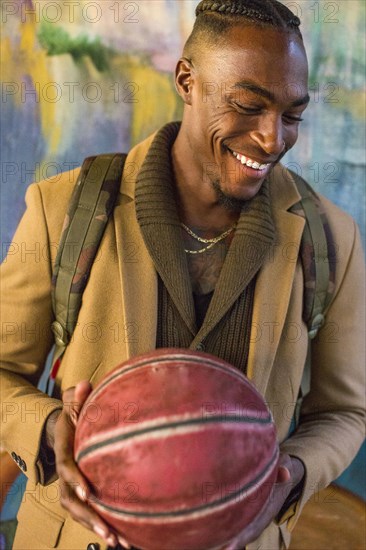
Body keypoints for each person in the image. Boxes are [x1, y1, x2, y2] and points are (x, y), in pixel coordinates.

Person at [1, 0, 365, 549]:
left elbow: (344, 412)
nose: (272, 139)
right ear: (187, 81)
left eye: (292, 116)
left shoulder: (331, 239)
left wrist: (287, 475)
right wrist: (53, 431)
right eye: (247, 105)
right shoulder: (64, 211)